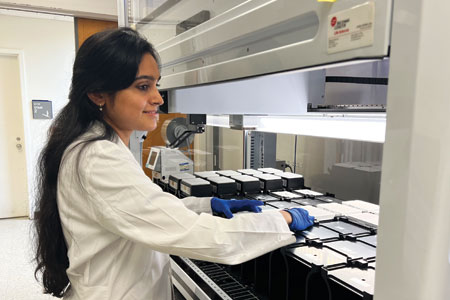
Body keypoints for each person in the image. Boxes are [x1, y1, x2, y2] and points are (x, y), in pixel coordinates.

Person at [33, 27, 314, 300]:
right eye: (143, 86)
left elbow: (141, 210)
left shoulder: (95, 145)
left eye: (157, 84)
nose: (158, 98)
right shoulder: (98, 158)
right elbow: (209, 239)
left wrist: (206, 205)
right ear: (98, 94)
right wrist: (282, 219)